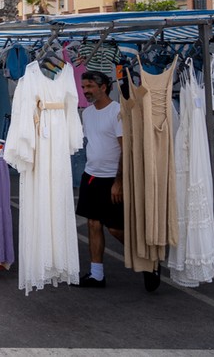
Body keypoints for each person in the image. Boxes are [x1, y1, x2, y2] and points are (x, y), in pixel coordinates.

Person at [73, 71, 148, 289]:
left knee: (115, 228)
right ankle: (97, 275)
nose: (85, 91)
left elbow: (126, 149)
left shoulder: (117, 112)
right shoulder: (86, 114)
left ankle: (146, 261)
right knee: (93, 223)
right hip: (91, 176)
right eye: (83, 87)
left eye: (89, 87)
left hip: (112, 179)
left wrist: (119, 181)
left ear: (104, 87)